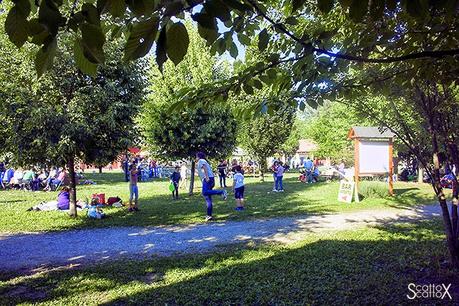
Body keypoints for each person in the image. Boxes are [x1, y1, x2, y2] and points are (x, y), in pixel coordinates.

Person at [196, 152, 227, 221]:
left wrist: (207, 177)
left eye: (196, 157)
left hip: (208, 179)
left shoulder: (201, 160)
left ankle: (221, 192)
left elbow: (204, 168)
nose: (196, 158)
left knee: (204, 192)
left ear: (198, 156)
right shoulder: (204, 161)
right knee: (208, 198)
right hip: (210, 179)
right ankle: (209, 215)